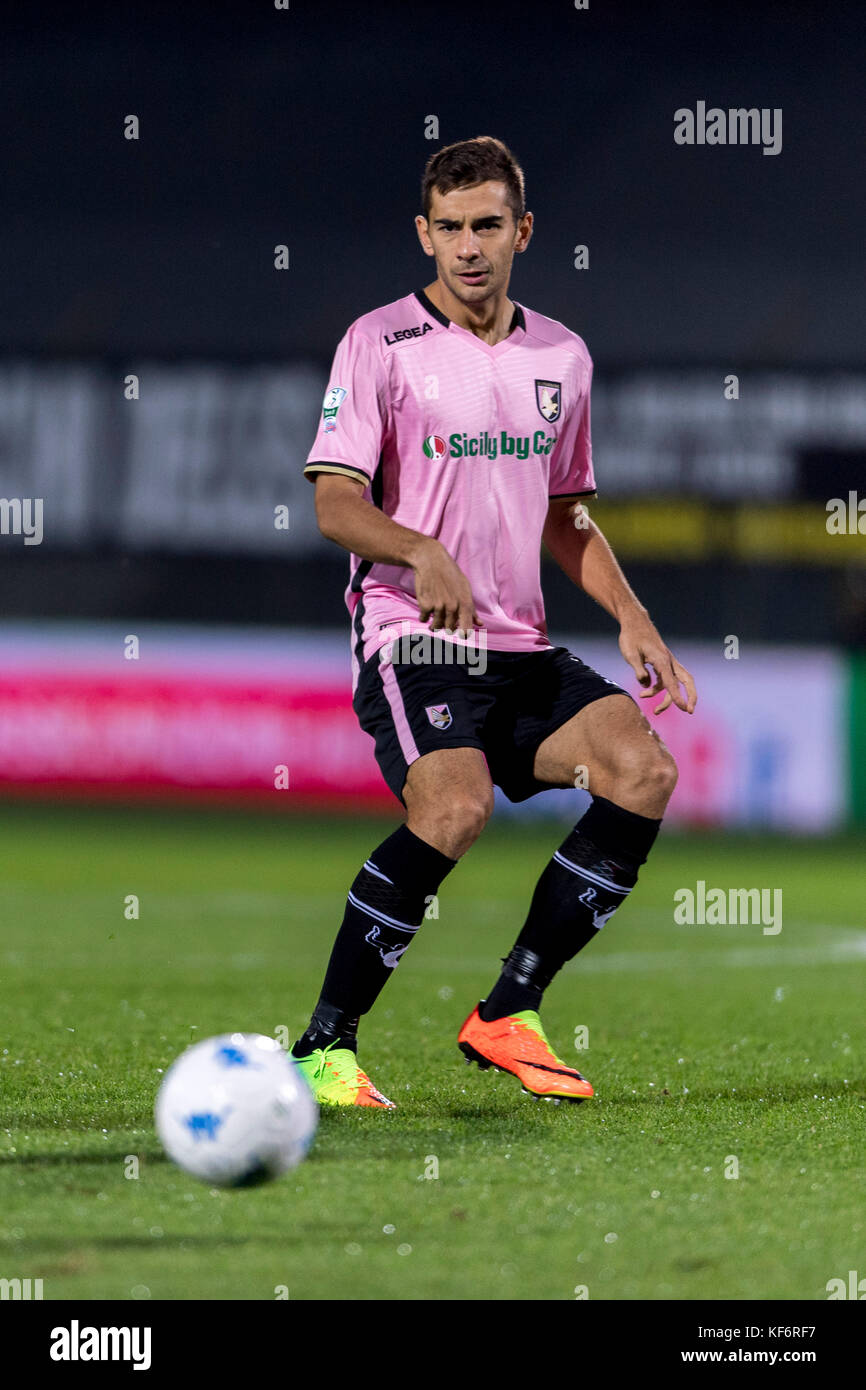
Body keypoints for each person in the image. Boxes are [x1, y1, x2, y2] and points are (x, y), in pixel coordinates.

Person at [292, 136, 696, 1108]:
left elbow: (567, 514)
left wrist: (632, 615)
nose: (467, 247)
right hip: (412, 632)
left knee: (641, 771)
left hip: (516, 641)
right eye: (448, 228)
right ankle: (323, 1043)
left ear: (521, 230)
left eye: (486, 226)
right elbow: (333, 502)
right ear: (423, 235)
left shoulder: (560, 355)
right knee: (453, 807)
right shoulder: (378, 342)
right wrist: (418, 551)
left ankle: (509, 1009)